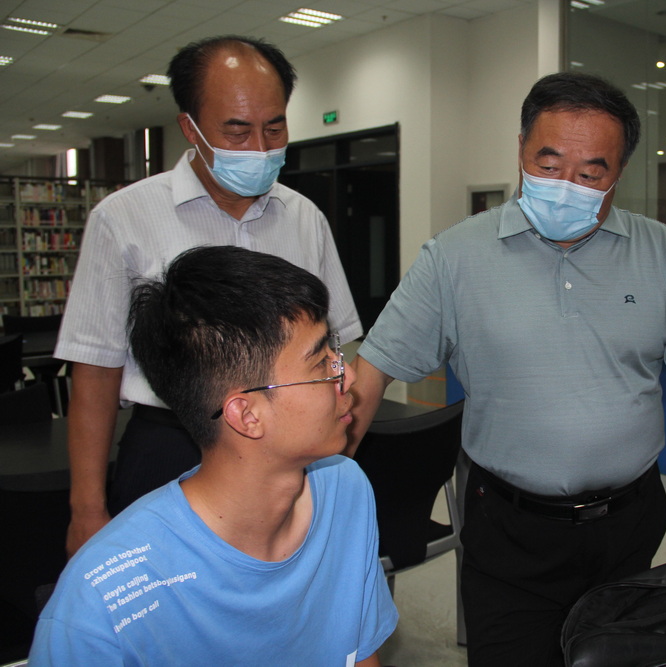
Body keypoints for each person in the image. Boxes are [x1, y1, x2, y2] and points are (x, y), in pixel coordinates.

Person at [347, 71, 666, 666]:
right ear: (521, 150)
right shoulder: (454, 256)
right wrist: (313, 492)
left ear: (618, 173)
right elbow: (371, 372)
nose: (564, 187)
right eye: (548, 165)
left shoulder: (661, 252)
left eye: (589, 174)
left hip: (629, 525)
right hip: (509, 529)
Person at [56, 35, 361, 556]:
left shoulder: (304, 218)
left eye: (274, 128)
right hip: (172, 445)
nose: (259, 148)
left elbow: (336, 345)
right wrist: (86, 508)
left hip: (288, 453)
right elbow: (95, 369)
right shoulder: (124, 218)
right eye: (237, 131)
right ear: (190, 128)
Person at [31, 246, 396, 665]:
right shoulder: (101, 603)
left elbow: (359, 653)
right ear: (247, 415)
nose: (348, 374)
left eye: (335, 352)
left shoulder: (343, 487)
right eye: (320, 363)